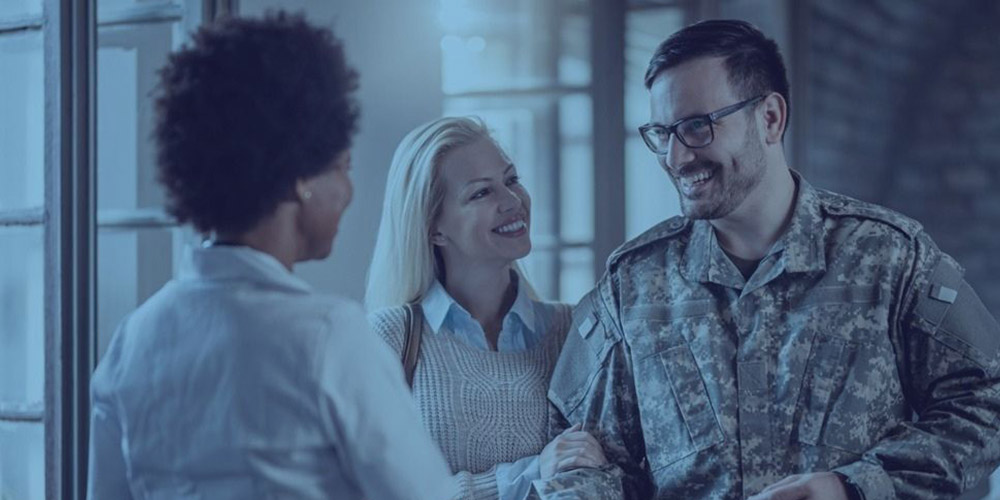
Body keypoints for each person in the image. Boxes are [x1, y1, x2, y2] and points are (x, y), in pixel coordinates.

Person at [532, 19, 1000, 500]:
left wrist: (854, 487)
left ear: (771, 118)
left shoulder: (891, 257)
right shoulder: (631, 284)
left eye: (696, 126)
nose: (675, 157)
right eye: (662, 132)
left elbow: (987, 400)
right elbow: (583, 453)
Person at [86, 13, 456, 500]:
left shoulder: (134, 340)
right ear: (299, 175)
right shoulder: (328, 337)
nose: (348, 190)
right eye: (342, 167)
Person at [366, 116, 607, 500]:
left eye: (511, 180)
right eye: (481, 193)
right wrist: (529, 473)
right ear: (434, 228)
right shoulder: (391, 336)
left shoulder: (576, 329)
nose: (513, 202)